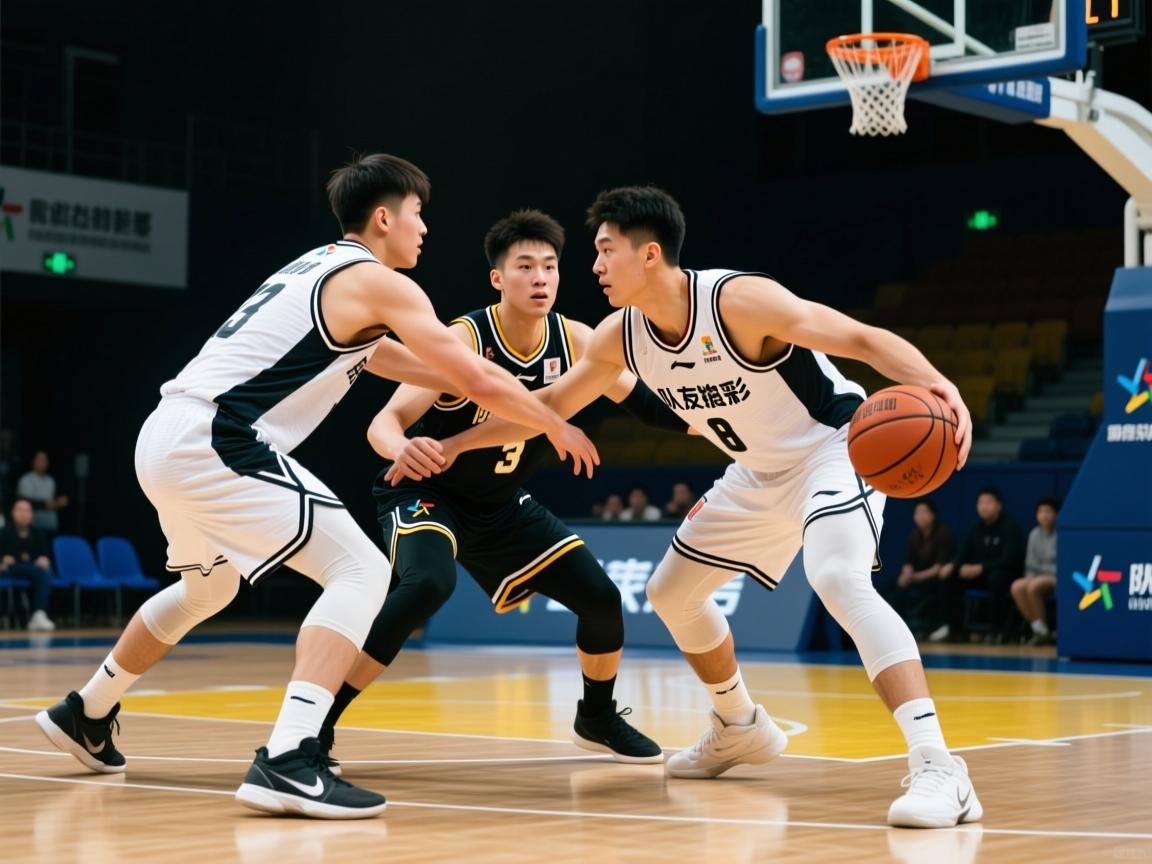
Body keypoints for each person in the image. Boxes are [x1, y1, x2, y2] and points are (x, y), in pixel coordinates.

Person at [33, 155, 596, 820]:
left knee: (207, 589)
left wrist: (458, 374)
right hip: (218, 439)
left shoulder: (315, 266)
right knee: (360, 570)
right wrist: (551, 420)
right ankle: (289, 756)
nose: (424, 229)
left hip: (164, 436)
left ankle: (86, 710)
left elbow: (389, 359)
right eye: (417, 214)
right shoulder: (382, 283)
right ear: (383, 217)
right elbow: (473, 379)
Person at [418, 186, 982, 828]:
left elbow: (860, 337)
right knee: (671, 593)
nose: (594, 266)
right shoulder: (619, 336)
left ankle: (940, 767)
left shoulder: (738, 301)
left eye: (605, 251)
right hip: (756, 471)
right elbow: (544, 409)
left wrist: (940, 385)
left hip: (830, 447)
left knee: (835, 577)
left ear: (649, 254)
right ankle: (739, 724)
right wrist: (451, 444)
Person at [319, 209, 688, 769]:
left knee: (601, 599)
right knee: (427, 586)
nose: (540, 278)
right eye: (525, 266)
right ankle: (316, 721)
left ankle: (596, 716)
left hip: (499, 505)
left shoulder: (578, 340)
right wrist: (400, 447)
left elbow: (649, 405)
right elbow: (384, 423)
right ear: (498, 278)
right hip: (428, 492)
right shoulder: (462, 338)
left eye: (550, 266)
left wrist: (719, 421)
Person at [932, 487, 1024, 645]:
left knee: (996, 578)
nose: (984, 506)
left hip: (1005, 575)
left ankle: (998, 631)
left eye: (988, 502)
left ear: (999, 505)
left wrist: (981, 567)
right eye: (980, 502)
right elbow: (963, 553)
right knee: (950, 578)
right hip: (979, 575)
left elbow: (1009, 559)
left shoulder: (1010, 527)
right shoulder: (975, 529)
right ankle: (954, 629)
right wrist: (953, 565)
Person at [885, 499, 953, 638]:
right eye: (917, 513)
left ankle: (933, 626)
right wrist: (906, 573)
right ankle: (893, 627)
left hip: (935, 579)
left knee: (937, 588)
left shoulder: (943, 533)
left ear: (933, 515)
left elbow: (938, 568)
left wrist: (914, 577)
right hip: (917, 578)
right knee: (891, 588)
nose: (920, 516)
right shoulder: (914, 536)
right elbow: (908, 562)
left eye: (924, 512)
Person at [0, 498, 56, 631]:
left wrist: (44, 559)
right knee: (39, 572)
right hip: (9, 569)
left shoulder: (37, 533)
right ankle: (38, 613)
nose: (24, 514)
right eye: (20, 510)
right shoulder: (4, 532)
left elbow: (44, 555)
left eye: (27, 511)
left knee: (45, 571)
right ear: (13, 513)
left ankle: (39, 614)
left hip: (32, 569)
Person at [1010, 497, 1058, 645]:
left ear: (1056, 514)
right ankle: (1040, 629)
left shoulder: (1062, 534)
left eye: (1048, 511)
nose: (1044, 515)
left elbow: (1062, 564)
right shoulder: (1034, 534)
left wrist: (1040, 575)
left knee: (1033, 587)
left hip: (1056, 576)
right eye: (1041, 512)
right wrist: (1031, 576)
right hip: (1037, 576)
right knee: (1017, 587)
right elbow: (1030, 563)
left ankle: (1043, 633)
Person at [17, 452, 69, 535]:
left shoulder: (51, 481)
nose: (42, 462)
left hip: (50, 525)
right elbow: (24, 503)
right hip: (32, 526)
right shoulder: (26, 480)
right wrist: (45, 504)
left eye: (44, 460)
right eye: (39, 460)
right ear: (33, 462)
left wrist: (60, 501)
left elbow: (57, 499)